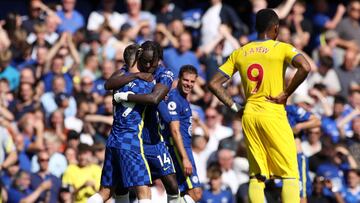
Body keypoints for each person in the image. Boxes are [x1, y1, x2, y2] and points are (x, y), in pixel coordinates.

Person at [208, 8, 311, 203]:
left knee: (257, 175)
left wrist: (235, 108)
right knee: (290, 172)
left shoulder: (240, 52)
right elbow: (305, 66)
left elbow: (213, 83)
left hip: (249, 115)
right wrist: (286, 93)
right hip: (272, 113)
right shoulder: (281, 48)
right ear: (276, 28)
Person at [158, 65, 203, 202]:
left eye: (192, 81)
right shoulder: (175, 99)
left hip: (184, 147)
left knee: (182, 192)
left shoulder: (182, 99)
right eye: (185, 80)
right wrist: (184, 157)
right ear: (179, 79)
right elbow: (174, 130)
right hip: (178, 149)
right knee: (194, 193)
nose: (188, 84)